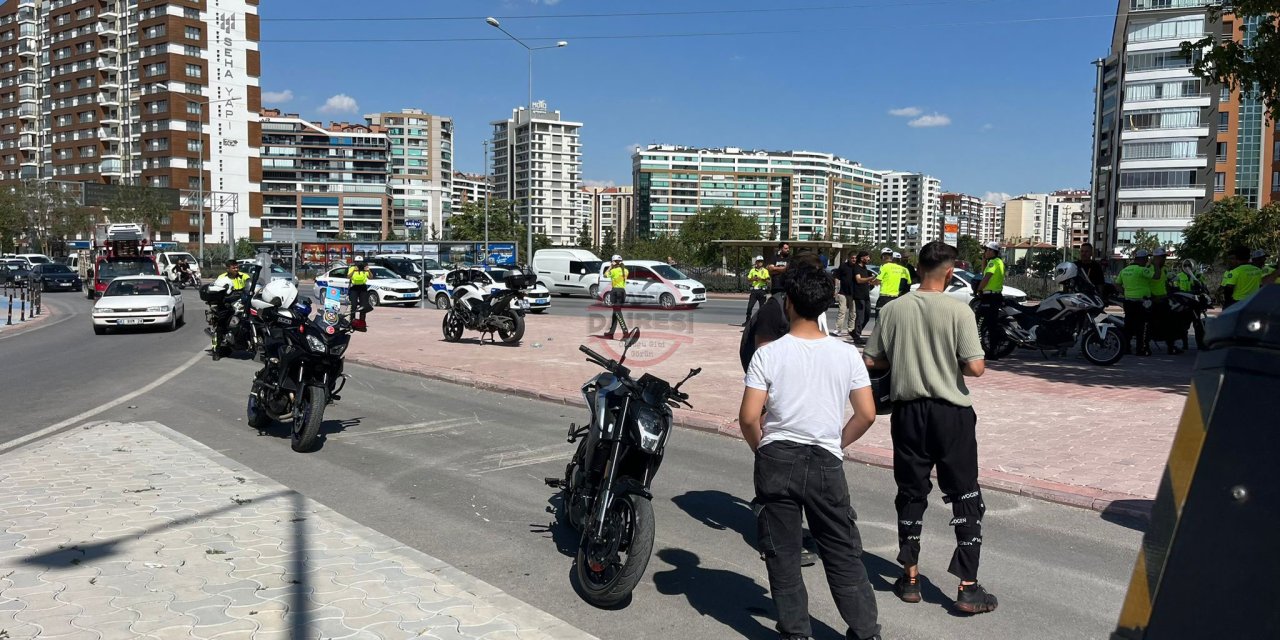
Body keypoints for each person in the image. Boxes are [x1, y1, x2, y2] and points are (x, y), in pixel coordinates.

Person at [739, 263, 883, 640]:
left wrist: (762, 449)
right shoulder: (847, 354)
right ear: (826, 306)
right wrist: (836, 442)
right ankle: (866, 632)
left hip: (777, 456)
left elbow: (750, 416)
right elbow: (866, 414)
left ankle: (796, 632)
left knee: (783, 555)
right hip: (825, 460)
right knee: (841, 550)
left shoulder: (768, 355)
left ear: (788, 301)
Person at [863, 241, 999, 615]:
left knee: (910, 492)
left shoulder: (893, 309)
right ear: (950, 272)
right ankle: (967, 588)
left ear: (917, 269)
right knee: (964, 494)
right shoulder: (959, 311)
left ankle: (909, 578)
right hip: (951, 414)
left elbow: (872, 359)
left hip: (908, 414)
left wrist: (907, 354)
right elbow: (975, 368)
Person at [210, 260, 250, 361]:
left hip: (241, 302)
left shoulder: (243, 276)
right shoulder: (222, 278)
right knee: (221, 326)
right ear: (227, 268)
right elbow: (217, 291)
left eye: (237, 267)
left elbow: (251, 284)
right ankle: (216, 351)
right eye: (234, 268)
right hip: (226, 303)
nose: (236, 269)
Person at [1116, 250, 1154, 356]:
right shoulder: (1142, 270)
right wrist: (1154, 264)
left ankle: (1126, 348)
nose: (1147, 261)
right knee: (1141, 327)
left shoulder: (1125, 270)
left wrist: (1125, 292)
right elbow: (1156, 276)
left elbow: (1117, 284)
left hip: (1128, 302)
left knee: (1128, 325)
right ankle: (1141, 349)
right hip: (1141, 303)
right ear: (1142, 259)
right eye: (1146, 258)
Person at [1148, 248, 1182, 355]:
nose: (1165, 259)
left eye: (1165, 257)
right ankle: (1145, 346)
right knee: (1152, 324)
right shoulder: (1149, 268)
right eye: (1163, 257)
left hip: (1164, 300)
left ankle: (1171, 346)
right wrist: (1152, 297)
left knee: (1171, 323)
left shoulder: (1164, 269)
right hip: (1153, 301)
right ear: (1157, 258)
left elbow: (1165, 282)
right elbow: (1145, 284)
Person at [975, 242, 1006, 358]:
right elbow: (985, 273)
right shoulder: (998, 262)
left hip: (989, 297)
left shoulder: (993, 263)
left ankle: (982, 350)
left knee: (979, 322)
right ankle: (992, 351)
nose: (984, 252)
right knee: (991, 324)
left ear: (992, 251)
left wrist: (979, 289)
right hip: (995, 296)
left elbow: (986, 277)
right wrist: (983, 260)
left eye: (986, 250)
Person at [851, 252, 877, 344]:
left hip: (866, 296)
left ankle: (855, 332)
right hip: (859, 296)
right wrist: (870, 278)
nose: (869, 259)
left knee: (867, 315)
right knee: (860, 317)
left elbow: (866, 281)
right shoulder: (856, 268)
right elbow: (858, 279)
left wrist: (874, 282)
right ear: (862, 258)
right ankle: (857, 336)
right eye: (867, 257)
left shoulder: (865, 268)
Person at [604, 254, 630, 340]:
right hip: (622, 291)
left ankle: (626, 333)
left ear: (614, 262)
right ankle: (611, 333)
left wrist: (610, 266)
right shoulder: (625, 271)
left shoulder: (613, 271)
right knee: (615, 312)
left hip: (616, 291)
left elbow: (605, 275)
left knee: (618, 313)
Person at [834, 253, 859, 338]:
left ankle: (851, 330)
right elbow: (837, 277)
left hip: (854, 293)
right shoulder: (843, 266)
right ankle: (838, 329)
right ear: (849, 258)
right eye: (852, 258)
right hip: (843, 292)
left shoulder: (858, 267)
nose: (854, 259)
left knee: (853, 313)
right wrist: (836, 289)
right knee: (842, 311)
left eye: (855, 258)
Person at [745, 255, 770, 325]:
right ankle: (747, 320)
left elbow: (768, 280)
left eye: (761, 261)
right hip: (754, 291)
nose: (760, 263)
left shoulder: (765, 271)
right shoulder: (752, 270)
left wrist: (761, 279)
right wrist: (754, 279)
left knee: (762, 308)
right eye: (759, 261)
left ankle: (762, 322)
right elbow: (748, 279)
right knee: (750, 306)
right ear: (756, 262)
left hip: (762, 291)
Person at [347, 256, 372, 320]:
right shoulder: (352, 268)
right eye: (357, 262)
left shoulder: (365, 269)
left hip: (363, 287)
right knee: (354, 305)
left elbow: (370, 277)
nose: (359, 264)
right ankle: (352, 320)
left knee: (363, 305)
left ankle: (362, 320)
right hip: (354, 287)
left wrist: (368, 271)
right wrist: (354, 270)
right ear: (355, 262)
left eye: (360, 262)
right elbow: (348, 276)